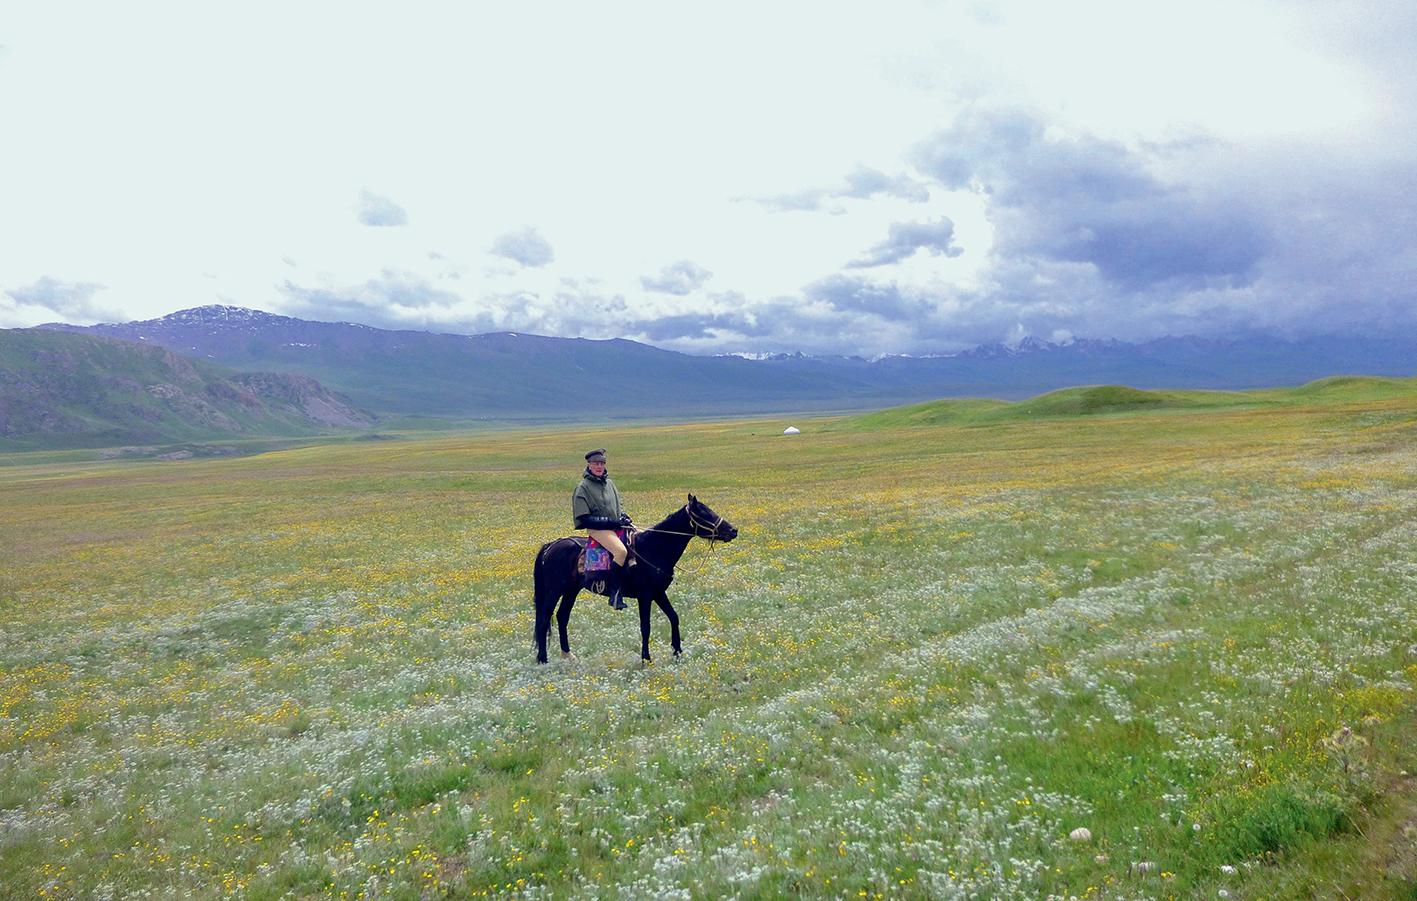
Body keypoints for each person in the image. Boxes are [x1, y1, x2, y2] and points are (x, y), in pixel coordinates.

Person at [572, 448, 634, 610]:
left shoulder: (610, 483)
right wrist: (609, 522)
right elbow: (584, 518)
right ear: (589, 465)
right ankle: (614, 594)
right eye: (596, 464)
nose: (599, 466)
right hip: (598, 529)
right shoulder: (583, 487)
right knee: (621, 552)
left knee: (640, 538)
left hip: (615, 525)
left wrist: (623, 516)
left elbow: (618, 505)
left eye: (602, 463)